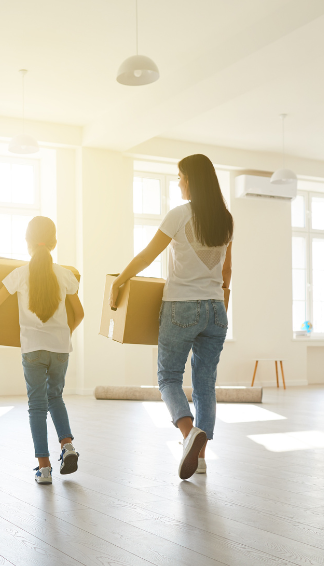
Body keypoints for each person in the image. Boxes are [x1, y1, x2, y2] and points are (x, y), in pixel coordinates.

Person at [110, 154, 233, 480]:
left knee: (168, 378)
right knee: (205, 385)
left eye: (180, 177)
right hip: (215, 309)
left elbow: (149, 255)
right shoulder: (226, 219)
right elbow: (226, 271)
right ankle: (201, 458)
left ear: (192, 179)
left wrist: (120, 280)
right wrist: (221, 306)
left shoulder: (180, 215)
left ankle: (187, 431)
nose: (178, 182)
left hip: (181, 307)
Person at [0, 217, 85, 484]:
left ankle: (45, 468)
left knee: (37, 407)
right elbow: (80, 313)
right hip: (60, 349)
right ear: (54, 242)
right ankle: (68, 446)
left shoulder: (18, 274)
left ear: (27, 242)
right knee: (56, 397)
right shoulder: (65, 274)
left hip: (33, 350)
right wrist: (66, 332)